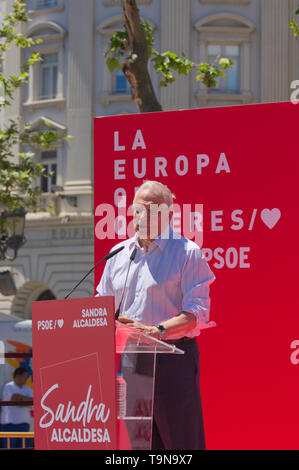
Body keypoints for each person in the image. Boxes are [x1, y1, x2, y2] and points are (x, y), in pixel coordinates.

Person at [96, 180, 215, 450]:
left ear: (169, 215)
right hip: (131, 362)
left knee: (181, 445)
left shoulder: (187, 253)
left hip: (172, 362)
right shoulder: (118, 254)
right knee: (140, 446)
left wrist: (156, 331)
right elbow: (100, 306)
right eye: (137, 210)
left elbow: (198, 312)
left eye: (150, 210)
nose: (142, 216)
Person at [1, 367, 33, 448]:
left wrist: (22, 399)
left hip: (24, 425)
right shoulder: (8, 386)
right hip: (9, 425)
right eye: (25, 376)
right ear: (18, 376)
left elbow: (33, 401)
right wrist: (26, 400)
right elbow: (15, 400)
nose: (26, 378)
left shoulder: (27, 388)